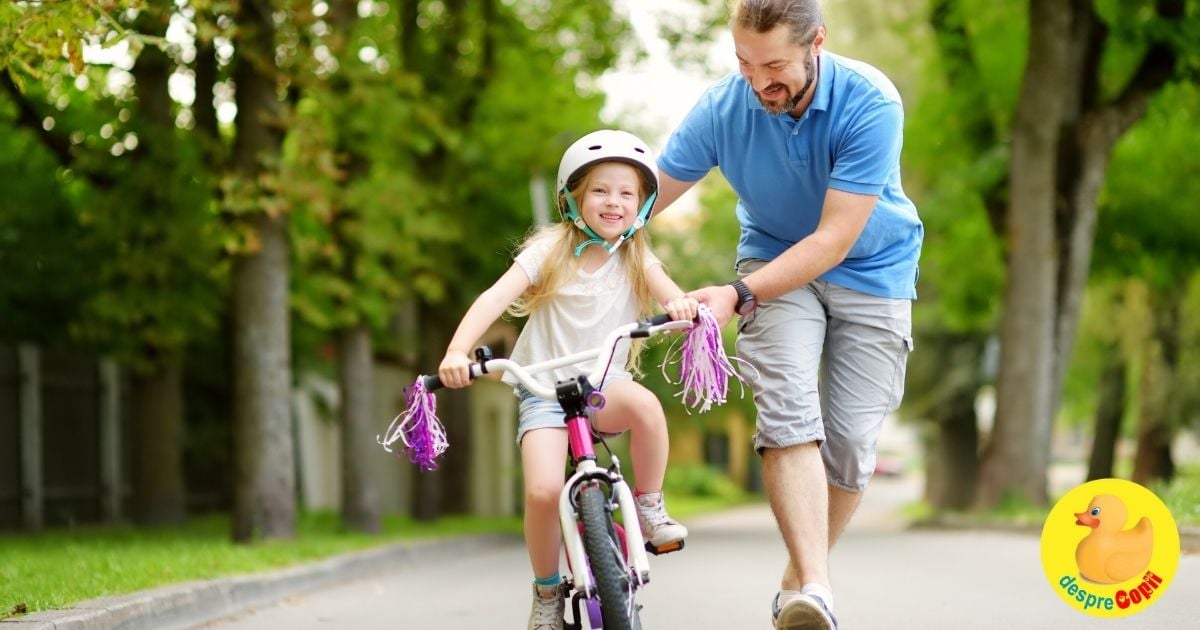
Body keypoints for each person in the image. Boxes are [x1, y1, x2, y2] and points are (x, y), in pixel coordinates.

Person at [651, 2, 923, 629]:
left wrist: (735, 295)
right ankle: (818, 591)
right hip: (772, 260)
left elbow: (833, 240)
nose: (758, 81)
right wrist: (581, 232)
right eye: (745, 63)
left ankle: (797, 581)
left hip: (872, 269)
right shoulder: (724, 107)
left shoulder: (870, 102)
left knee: (852, 443)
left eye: (774, 66)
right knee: (788, 412)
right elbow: (646, 195)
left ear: (816, 44)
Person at [437, 129, 698, 630]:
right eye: (600, 190)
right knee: (540, 492)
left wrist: (682, 306)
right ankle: (547, 592)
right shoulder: (549, 250)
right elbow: (494, 297)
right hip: (543, 392)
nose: (614, 201)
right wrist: (457, 350)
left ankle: (648, 507)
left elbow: (671, 296)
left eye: (627, 193)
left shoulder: (636, 255)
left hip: (604, 386)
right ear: (574, 199)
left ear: (642, 205)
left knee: (646, 407)